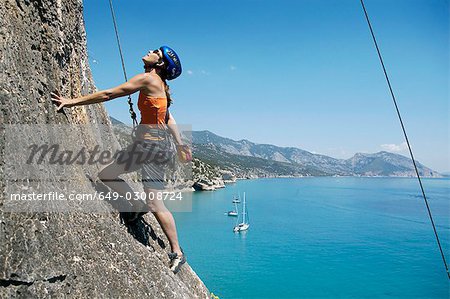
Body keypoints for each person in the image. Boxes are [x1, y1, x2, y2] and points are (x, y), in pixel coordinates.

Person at [51, 46, 191, 274]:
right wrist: (180, 144)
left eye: (156, 51)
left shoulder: (149, 80)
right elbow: (169, 117)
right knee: (106, 175)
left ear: (161, 63)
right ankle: (135, 205)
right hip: (144, 146)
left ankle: (178, 251)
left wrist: (72, 101)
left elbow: (109, 94)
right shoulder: (159, 86)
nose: (149, 50)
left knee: (155, 203)